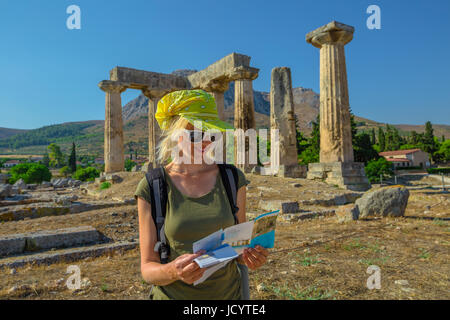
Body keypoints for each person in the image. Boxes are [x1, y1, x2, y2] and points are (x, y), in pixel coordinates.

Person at [134, 89, 269, 300]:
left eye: (212, 134)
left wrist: (250, 256)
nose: (207, 142)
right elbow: (147, 269)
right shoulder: (152, 186)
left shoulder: (232, 179)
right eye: (196, 135)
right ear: (175, 135)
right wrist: (173, 271)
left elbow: (238, 249)